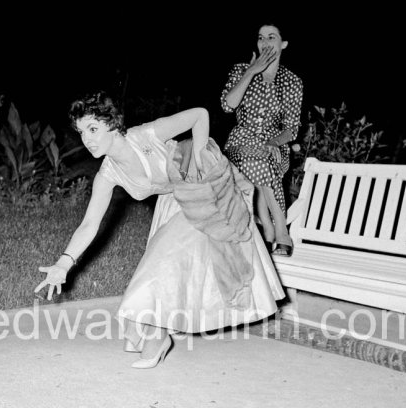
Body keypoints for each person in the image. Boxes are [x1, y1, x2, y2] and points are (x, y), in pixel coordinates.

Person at [35, 91, 285, 369]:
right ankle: (150, 327)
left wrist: (200, 157)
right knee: (163, 262)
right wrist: (63, 263)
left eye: (93, 129)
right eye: (82, 132)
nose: (87, 139)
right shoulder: (107, 174)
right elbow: (89, 224)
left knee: (161, 262)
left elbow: (200, 114)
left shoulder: (146, 135)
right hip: (176, 201)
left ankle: (158, 337)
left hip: (207, 188)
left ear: (113, 125)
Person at [221, 21, 303, 256]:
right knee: (255, 157)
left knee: (263, 157)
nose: (265, 43)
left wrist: (273, 142)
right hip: (240, 139)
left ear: (283, 44)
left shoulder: (292, 82)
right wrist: (251, 71)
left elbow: (291, 128)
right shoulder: (240, 70)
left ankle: (267, 224)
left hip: (274, 143)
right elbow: (228, 105)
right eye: (261, 38)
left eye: (271, 37)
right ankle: (278, 228)